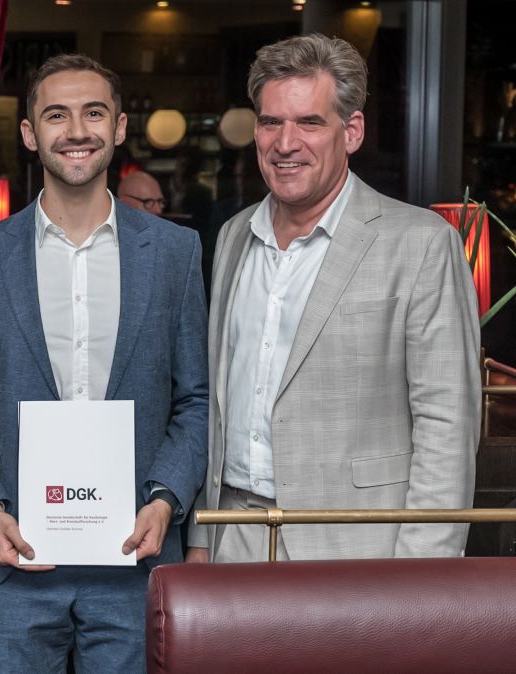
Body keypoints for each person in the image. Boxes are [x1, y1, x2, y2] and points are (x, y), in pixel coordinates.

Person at [0, 54, 207, 672]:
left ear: (119, 127)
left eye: (93, 113)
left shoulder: (176, 252)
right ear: (29, 133)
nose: (76, 131)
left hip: (134, 556)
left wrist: (166, 501)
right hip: (15, 557)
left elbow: (195, 399)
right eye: (56, 115)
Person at [186, 34, 481, 563]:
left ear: (352, 131)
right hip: (235, 534)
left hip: (359, 545)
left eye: (309, 123)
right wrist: (203, 540)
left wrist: (421, 577)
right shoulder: (233, 236)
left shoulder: (421, 243)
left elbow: (447, 426)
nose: (285, 143)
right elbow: (219, 403)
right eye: (271, 122)